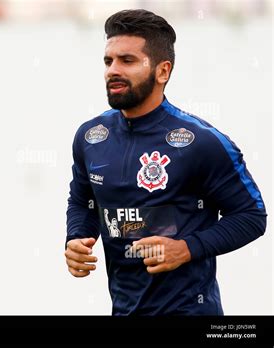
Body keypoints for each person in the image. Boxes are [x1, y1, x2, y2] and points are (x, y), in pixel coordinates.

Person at [64, 9, 267, 315]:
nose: (112, 70)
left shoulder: (202, 142)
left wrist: (186, 249)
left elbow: (251, 216)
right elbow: (83, 202)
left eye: (127, 61)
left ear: (162, 71)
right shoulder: (91, 137)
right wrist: (76, 238)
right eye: (109, 61)